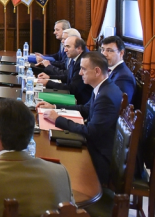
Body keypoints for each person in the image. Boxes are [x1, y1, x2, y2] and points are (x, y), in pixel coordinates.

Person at [39, 51, 123, 185]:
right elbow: (85, 109)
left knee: (56, 160)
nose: (79, 73)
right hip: (98, 144)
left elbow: (90, 132)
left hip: (101, 155)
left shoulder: (106, 96)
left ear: (97, 71)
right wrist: (54, 107)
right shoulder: (104, 87)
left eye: (83, 69)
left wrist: (58, 120)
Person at [36, 36, 93, 104]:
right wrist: (49, 77)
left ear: (79, 48)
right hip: (72, 97)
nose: (65, 50)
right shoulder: (75, 57)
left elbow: (72, 89)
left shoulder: (83, 61)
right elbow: (68, 76)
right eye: (65, 47)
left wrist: (48, 83)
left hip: (79, 102)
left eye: (68, 47)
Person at [100, 36, 136, 103]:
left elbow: (119, 105)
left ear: (121, 53)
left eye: (109, 50)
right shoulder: (106, 69)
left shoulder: (124, 77)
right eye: (102, 49)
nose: (104, 54)